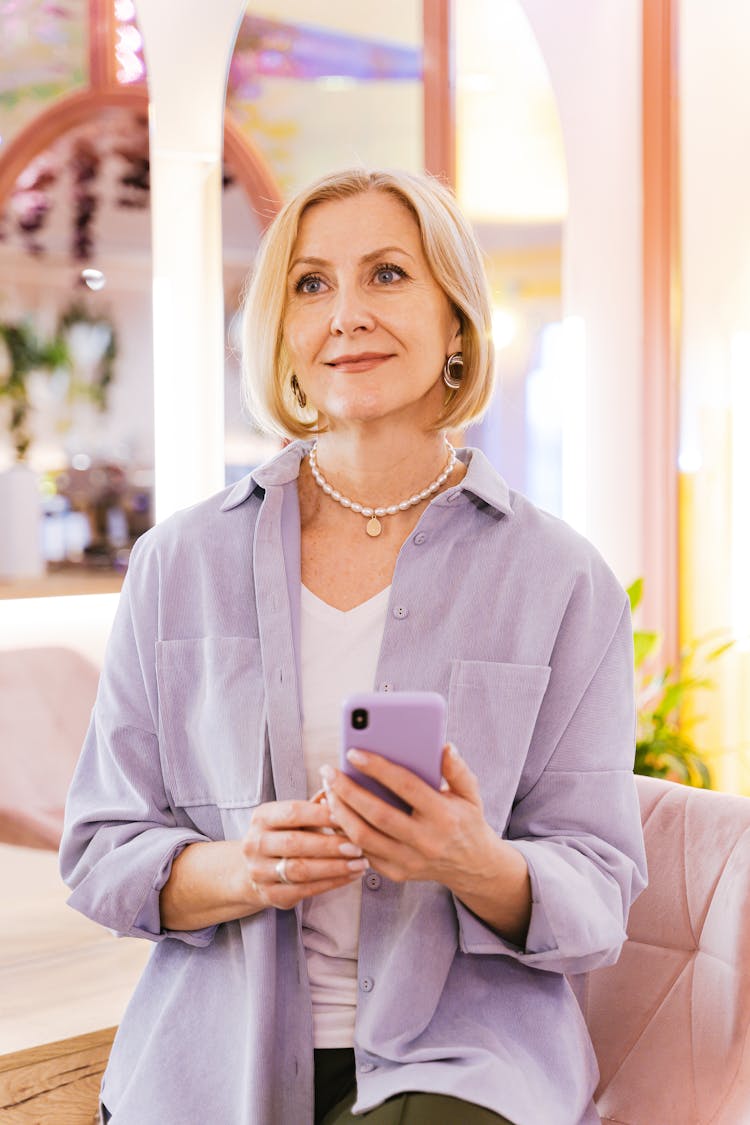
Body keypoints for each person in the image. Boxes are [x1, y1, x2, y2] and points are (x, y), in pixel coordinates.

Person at [60, 167, 647, 1125]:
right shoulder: (177, 563)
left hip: (465, 1059)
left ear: (456, 322)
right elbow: (100, 851)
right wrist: (244, 866)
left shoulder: (561, 578)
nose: (346, 313)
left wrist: (468, 856)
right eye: (311, 283)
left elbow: (598, 887)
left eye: (386, 274)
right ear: (283, 335)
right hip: (212, 1068)